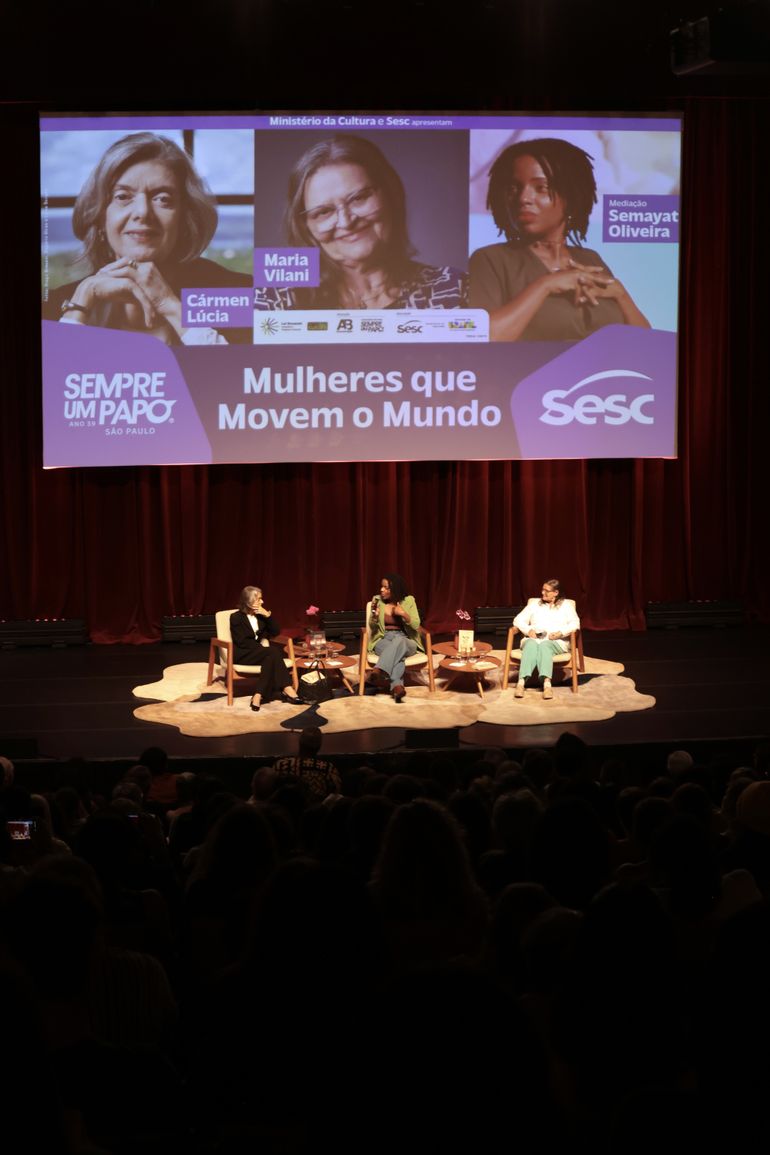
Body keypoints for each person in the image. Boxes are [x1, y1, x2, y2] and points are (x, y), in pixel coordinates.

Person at [44, 131, 251, 343]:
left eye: (163, 199)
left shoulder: (243, 295)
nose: (142, 212)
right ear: (99, 218)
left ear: (184, 219)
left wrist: (168, 304)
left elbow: (240, 372)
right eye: (123, 197)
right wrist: (80, 304)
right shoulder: (55, 306)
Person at [255, 134, 467, 311]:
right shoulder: (275, 300)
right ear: (305, 226)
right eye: (324, 212)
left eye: (358, 198)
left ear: (390, 194)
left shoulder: (454, 289)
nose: (346, 222)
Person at [468, 137, 650, 341]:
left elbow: (645, 346)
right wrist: (545, 285)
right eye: (513, 188)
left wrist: (621, 295)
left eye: (541, 188)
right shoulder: (490, 259)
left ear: (571, 196)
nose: (523, 198)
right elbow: (483, 338)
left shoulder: (590, 259)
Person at [230, 586, 299, 712]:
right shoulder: (236, 617)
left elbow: (275, 632)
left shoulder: (261, 617)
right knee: (272, 651)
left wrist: (267, 615)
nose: (262, 602)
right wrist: (262, 649)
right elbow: (241, 642)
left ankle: (258, 695)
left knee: (270, 657)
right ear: (248, 601)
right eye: (259, 599)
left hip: (261, 654)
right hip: (243, 654)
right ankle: (287, 687)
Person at [512, 578, 580, 699]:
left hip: (555, 641)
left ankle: (547, 684)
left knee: (545, 646)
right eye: (542, 590)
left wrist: (560, 633)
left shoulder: (566, 606)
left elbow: (575, 624)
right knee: (531, 645)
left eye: (547, 591)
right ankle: (521, 683)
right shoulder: (534, 605)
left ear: (556, 592)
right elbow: (518, 620)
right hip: (533, 638)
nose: (542, 593)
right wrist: (528, 630)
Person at [367, 574, 424, 702]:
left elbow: (416, 625)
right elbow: (372, 626)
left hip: (406, 639)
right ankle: (397, 686)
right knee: (398, 655)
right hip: (383, 639)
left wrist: (403, 614)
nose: (382, 590)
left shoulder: (409, 600)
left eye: (386, 587)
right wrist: (375, 618)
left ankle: (379, 669)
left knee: (399, 642)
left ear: (396, 589)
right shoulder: (377, 600)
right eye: (381, 586)